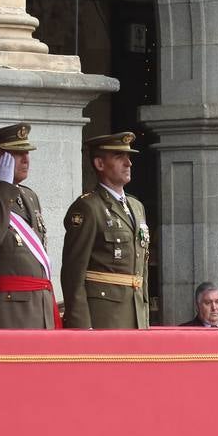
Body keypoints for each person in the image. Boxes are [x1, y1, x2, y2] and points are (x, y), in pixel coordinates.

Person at [61, 132, 149, 329]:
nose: (129, 163)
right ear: (100, 164)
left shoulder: (136, 207)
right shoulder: (89, 207)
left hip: (135, 313)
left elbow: (140, 270)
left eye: (129, 157)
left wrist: (144, 315)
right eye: (119, 157)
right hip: (104, 316)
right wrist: (81, 326)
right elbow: (73, 272)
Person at [0, 124, 59, 329]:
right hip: (7, 307)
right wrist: (2, 187)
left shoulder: (29, 195)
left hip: (39, 304)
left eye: (27, 153)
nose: (26, 160)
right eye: (17, 154)